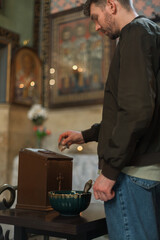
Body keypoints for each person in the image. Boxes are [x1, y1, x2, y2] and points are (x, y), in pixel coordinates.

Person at [58, 0, 160, 239]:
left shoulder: (134, 33)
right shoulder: (151, 32)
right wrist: (86, 135)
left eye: (95, 17)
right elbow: (146, 110)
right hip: (149, 171)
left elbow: (136, 110)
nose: (96, 27)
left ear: (111, 5)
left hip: (131, 173)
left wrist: (110, 171)